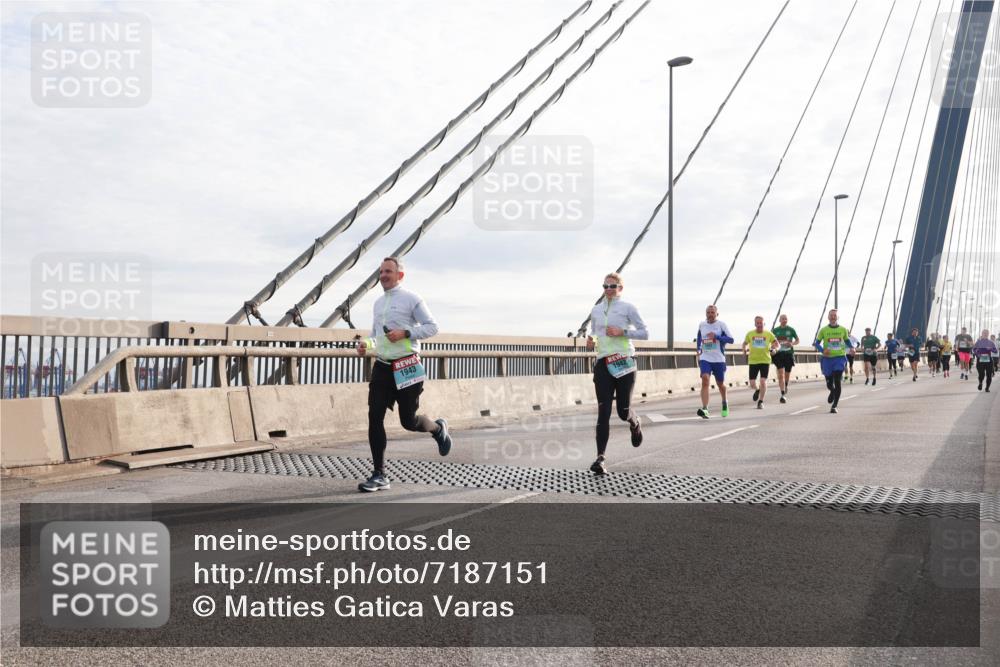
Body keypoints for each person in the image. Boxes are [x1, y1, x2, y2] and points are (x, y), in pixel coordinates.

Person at [355, 257, 452, 492]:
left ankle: (437, 428)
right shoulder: (378, 303)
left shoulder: (412, 299)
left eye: (388, 271)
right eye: (381, 272)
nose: (384, 276)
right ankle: (379, 474)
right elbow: (375, 335)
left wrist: (406, 333)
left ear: (400, 275)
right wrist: (365, 345)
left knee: (408, 421)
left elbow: (432, 327)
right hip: (382, 367)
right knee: (374, 417)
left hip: (407, 366)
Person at [586, 273, 648, 475]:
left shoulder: (628, 308)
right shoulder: (596, 309)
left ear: (620, 288)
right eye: (605, 286)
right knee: (603, 411)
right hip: (603, 362)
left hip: (624, 362)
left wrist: (622, 332)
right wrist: (592, 341)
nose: (608, 289)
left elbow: (644, 333)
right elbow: (596, 333)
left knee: (623, 411)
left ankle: (635, 422)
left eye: (612, 286)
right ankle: (600, 458)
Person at [696, 305, 734, 419]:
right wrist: (698, 348)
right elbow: (699, 337)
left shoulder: (721, 325)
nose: (710, 314)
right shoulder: (702, 325)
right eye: (708, 312)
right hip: (705, 357)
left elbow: (731, 339)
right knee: (705, 379)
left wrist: (717, 336)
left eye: (712, 312)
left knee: (720, 384)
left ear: (717, 314)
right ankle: (705, 408)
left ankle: (724, 402)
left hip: (718, 359)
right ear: (705, 314)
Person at [814, 309, 852, 413]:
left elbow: (847, 340)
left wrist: (852, 348)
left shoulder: (843, 329)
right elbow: (816, 343)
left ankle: (834, 405)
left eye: (835, 315)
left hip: (839, 358)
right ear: (828, 317)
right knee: (829, 384)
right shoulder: (823, 330)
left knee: (837, 381)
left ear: (837, 317)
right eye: (831, 315)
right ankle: (832, 390)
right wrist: (822, 350)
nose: (833, 317)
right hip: (827, 360)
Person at [742, 316, 778, 409]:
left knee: (763, 381)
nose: (759, 325)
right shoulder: (750, 334)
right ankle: (757, 390)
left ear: (764, 324)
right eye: (757, 323)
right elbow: (744, 343)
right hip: (753, 361)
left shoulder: (769, 334)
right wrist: (744, 349)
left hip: (765, 360)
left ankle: (761, 401)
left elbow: (777, 344)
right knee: (752, 383)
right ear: (755, 324)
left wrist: (775, 349)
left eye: (761, 323)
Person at [771, 314, 799, 403]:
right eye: (782, 319)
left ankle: (785, 385)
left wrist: (792, 344)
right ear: (779, 320)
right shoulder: (775, 330)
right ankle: (782, 394)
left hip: (788, 353)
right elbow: (770, 341)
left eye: (785, 319)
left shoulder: (791, 330)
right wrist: (773, 346)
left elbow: (797, 340)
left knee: (787, 373)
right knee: (781, 374)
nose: (784, 320)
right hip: (778, 354)